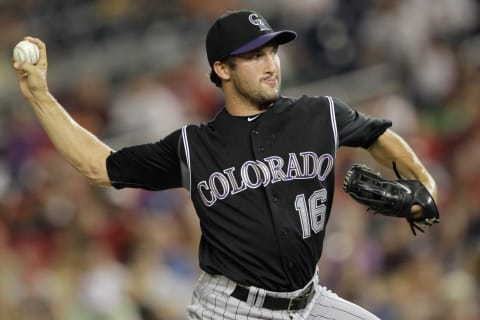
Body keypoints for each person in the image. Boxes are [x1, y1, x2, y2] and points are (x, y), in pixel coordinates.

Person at [13, 9, 438, 320]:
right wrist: (40, 96)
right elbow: (97, 165)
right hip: (232, 309)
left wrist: (425, 185)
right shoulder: (193, 147)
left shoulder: (319, 114)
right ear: (222, 68)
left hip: (309, 301)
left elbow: (378, 137)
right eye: (255, 56)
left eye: (272, 51)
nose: (271, 64)